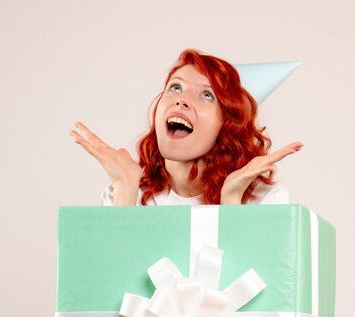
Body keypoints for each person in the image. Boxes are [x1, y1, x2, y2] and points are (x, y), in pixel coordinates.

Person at [69, 49, 302, 206]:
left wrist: (231, 200)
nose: (181, 100)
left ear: (227, 124)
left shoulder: (263, 200)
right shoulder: (127, 191)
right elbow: (107, 276)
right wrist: (125, 192)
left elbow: (254, 277)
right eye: (176, 88)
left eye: (207, 95)